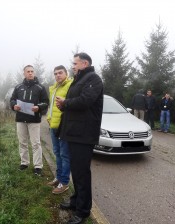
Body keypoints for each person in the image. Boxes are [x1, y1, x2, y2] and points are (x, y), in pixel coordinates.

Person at [56, 53, 103, 224]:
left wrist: (66, 103)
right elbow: (74, 104)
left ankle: (83, 211)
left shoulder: (94, 79)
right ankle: (76, 200)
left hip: (84, 134)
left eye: (75, 63)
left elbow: (85, 101)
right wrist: (63, 105)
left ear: (85, 63)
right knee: (76, 171)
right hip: (74, 132)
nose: (73, 66)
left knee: (82, 173)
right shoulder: (79, 79)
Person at [10, 65, 49, 176]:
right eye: (28, 71)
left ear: (34, 73)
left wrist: (39, 107)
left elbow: (46, 102)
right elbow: (12, 100)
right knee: (22, 142)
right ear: (24, 73)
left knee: (36, 144)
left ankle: (38, 167)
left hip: (34, 120)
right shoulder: (18, 87)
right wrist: (14, 106)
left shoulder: (40, 87)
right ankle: (24, 163)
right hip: (21, 119)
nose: (30, 73)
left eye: (32, 71)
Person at [47, 65, 72, 194]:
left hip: (64, 127)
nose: (57, 75)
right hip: (53, 126)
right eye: (55, 73)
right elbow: (52, 106)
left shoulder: (70, 85)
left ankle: (64, 182)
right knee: (57, 153)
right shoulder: (53, 88)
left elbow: (71, 103)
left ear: (66, 73)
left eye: (60, 73)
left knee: (65, 155)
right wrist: (49, 117)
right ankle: (58, 177)